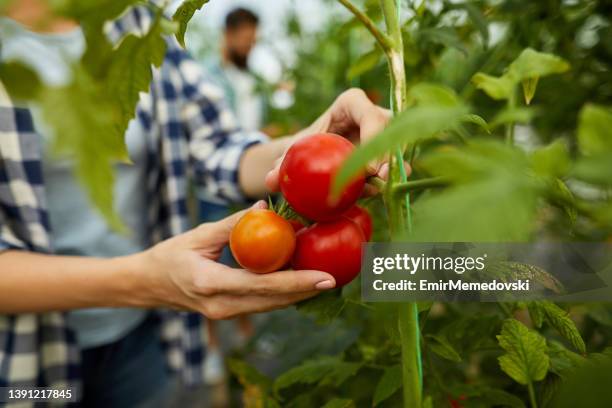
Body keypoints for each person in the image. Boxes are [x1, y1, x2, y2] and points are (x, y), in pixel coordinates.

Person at [0, 1, 391, 406]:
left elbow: (217, 147)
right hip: (25, 359)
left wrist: (314, 146)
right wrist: (145, 280)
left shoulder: (136, 19)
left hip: (142, 340)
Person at [198, 7, 263, 386]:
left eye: (255, 39)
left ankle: (244, 335)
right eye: (247, 38)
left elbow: (248, 130)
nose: (251, 44)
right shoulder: (207, 77)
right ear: (229, 34)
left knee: (249, 262)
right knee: (214, 268)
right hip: (214, 187)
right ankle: (210, 349)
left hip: (248, 183)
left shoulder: (249, 80)